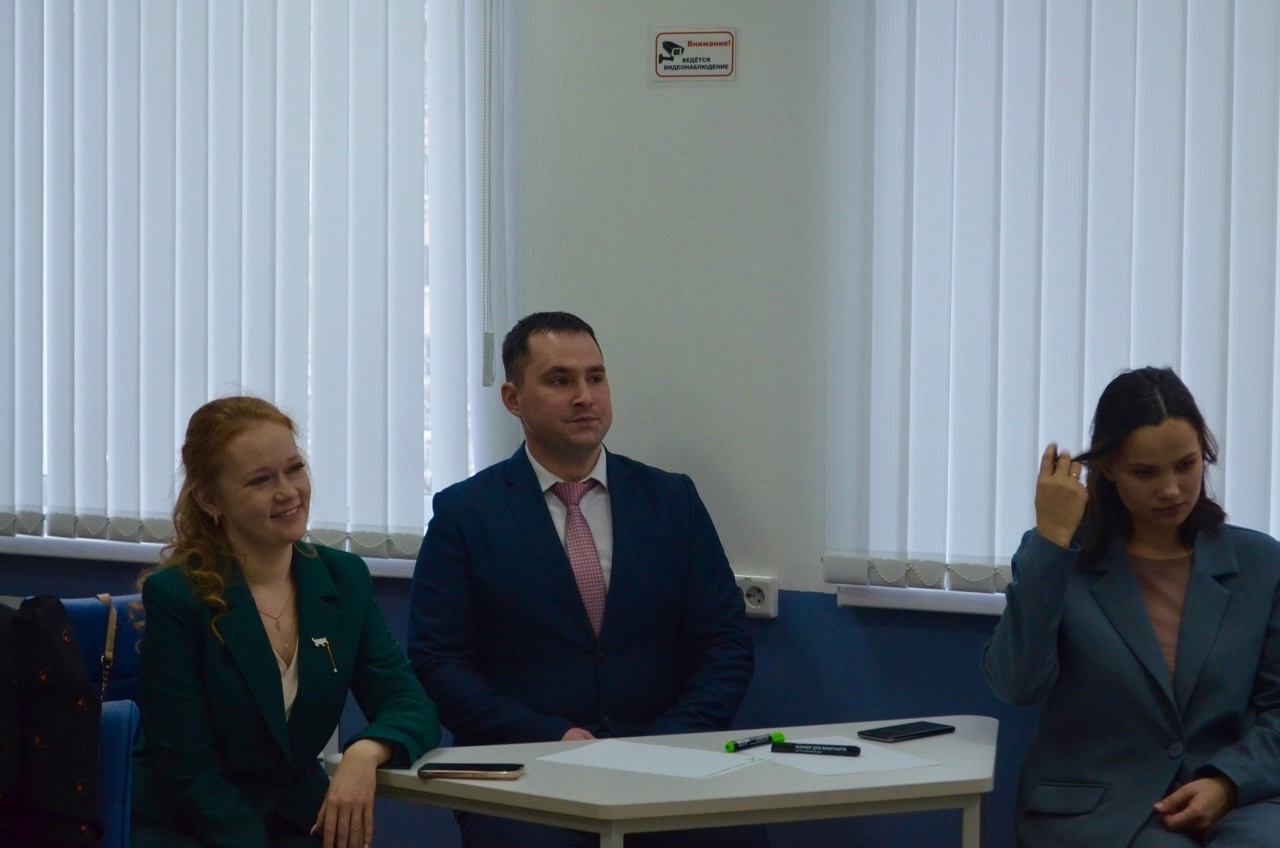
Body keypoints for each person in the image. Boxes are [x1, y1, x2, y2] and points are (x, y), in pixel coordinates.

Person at [407, 311, 767, 848]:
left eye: (595, 378)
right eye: (560, 381)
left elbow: (726, 643)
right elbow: (439, 660)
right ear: (513, 398)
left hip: (667, 761)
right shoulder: (466, 513)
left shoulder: (672, 500)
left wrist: (671, 739)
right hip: (526, 769)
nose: (584, 397)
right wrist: (549, 735)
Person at [983, 367, 1280, 848]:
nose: (1171, 489)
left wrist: (1228, 782)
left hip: (1236, 796)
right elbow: (1017, 684)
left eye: (1186, 465)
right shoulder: (1060, 561)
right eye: (1145, 472)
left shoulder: (1261, 563)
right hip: (1100, 807)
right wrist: (1052, 539)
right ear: (1108, 468)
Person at [130, 396, 440, 848]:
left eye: (294, 469)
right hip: (192, 824)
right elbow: (186, 768)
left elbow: (409, 702)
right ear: (210, 499)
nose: (288, 492)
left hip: (297, 816)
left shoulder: (342, 578)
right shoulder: (177, 596)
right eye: (261, 480)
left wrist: (364, 752)